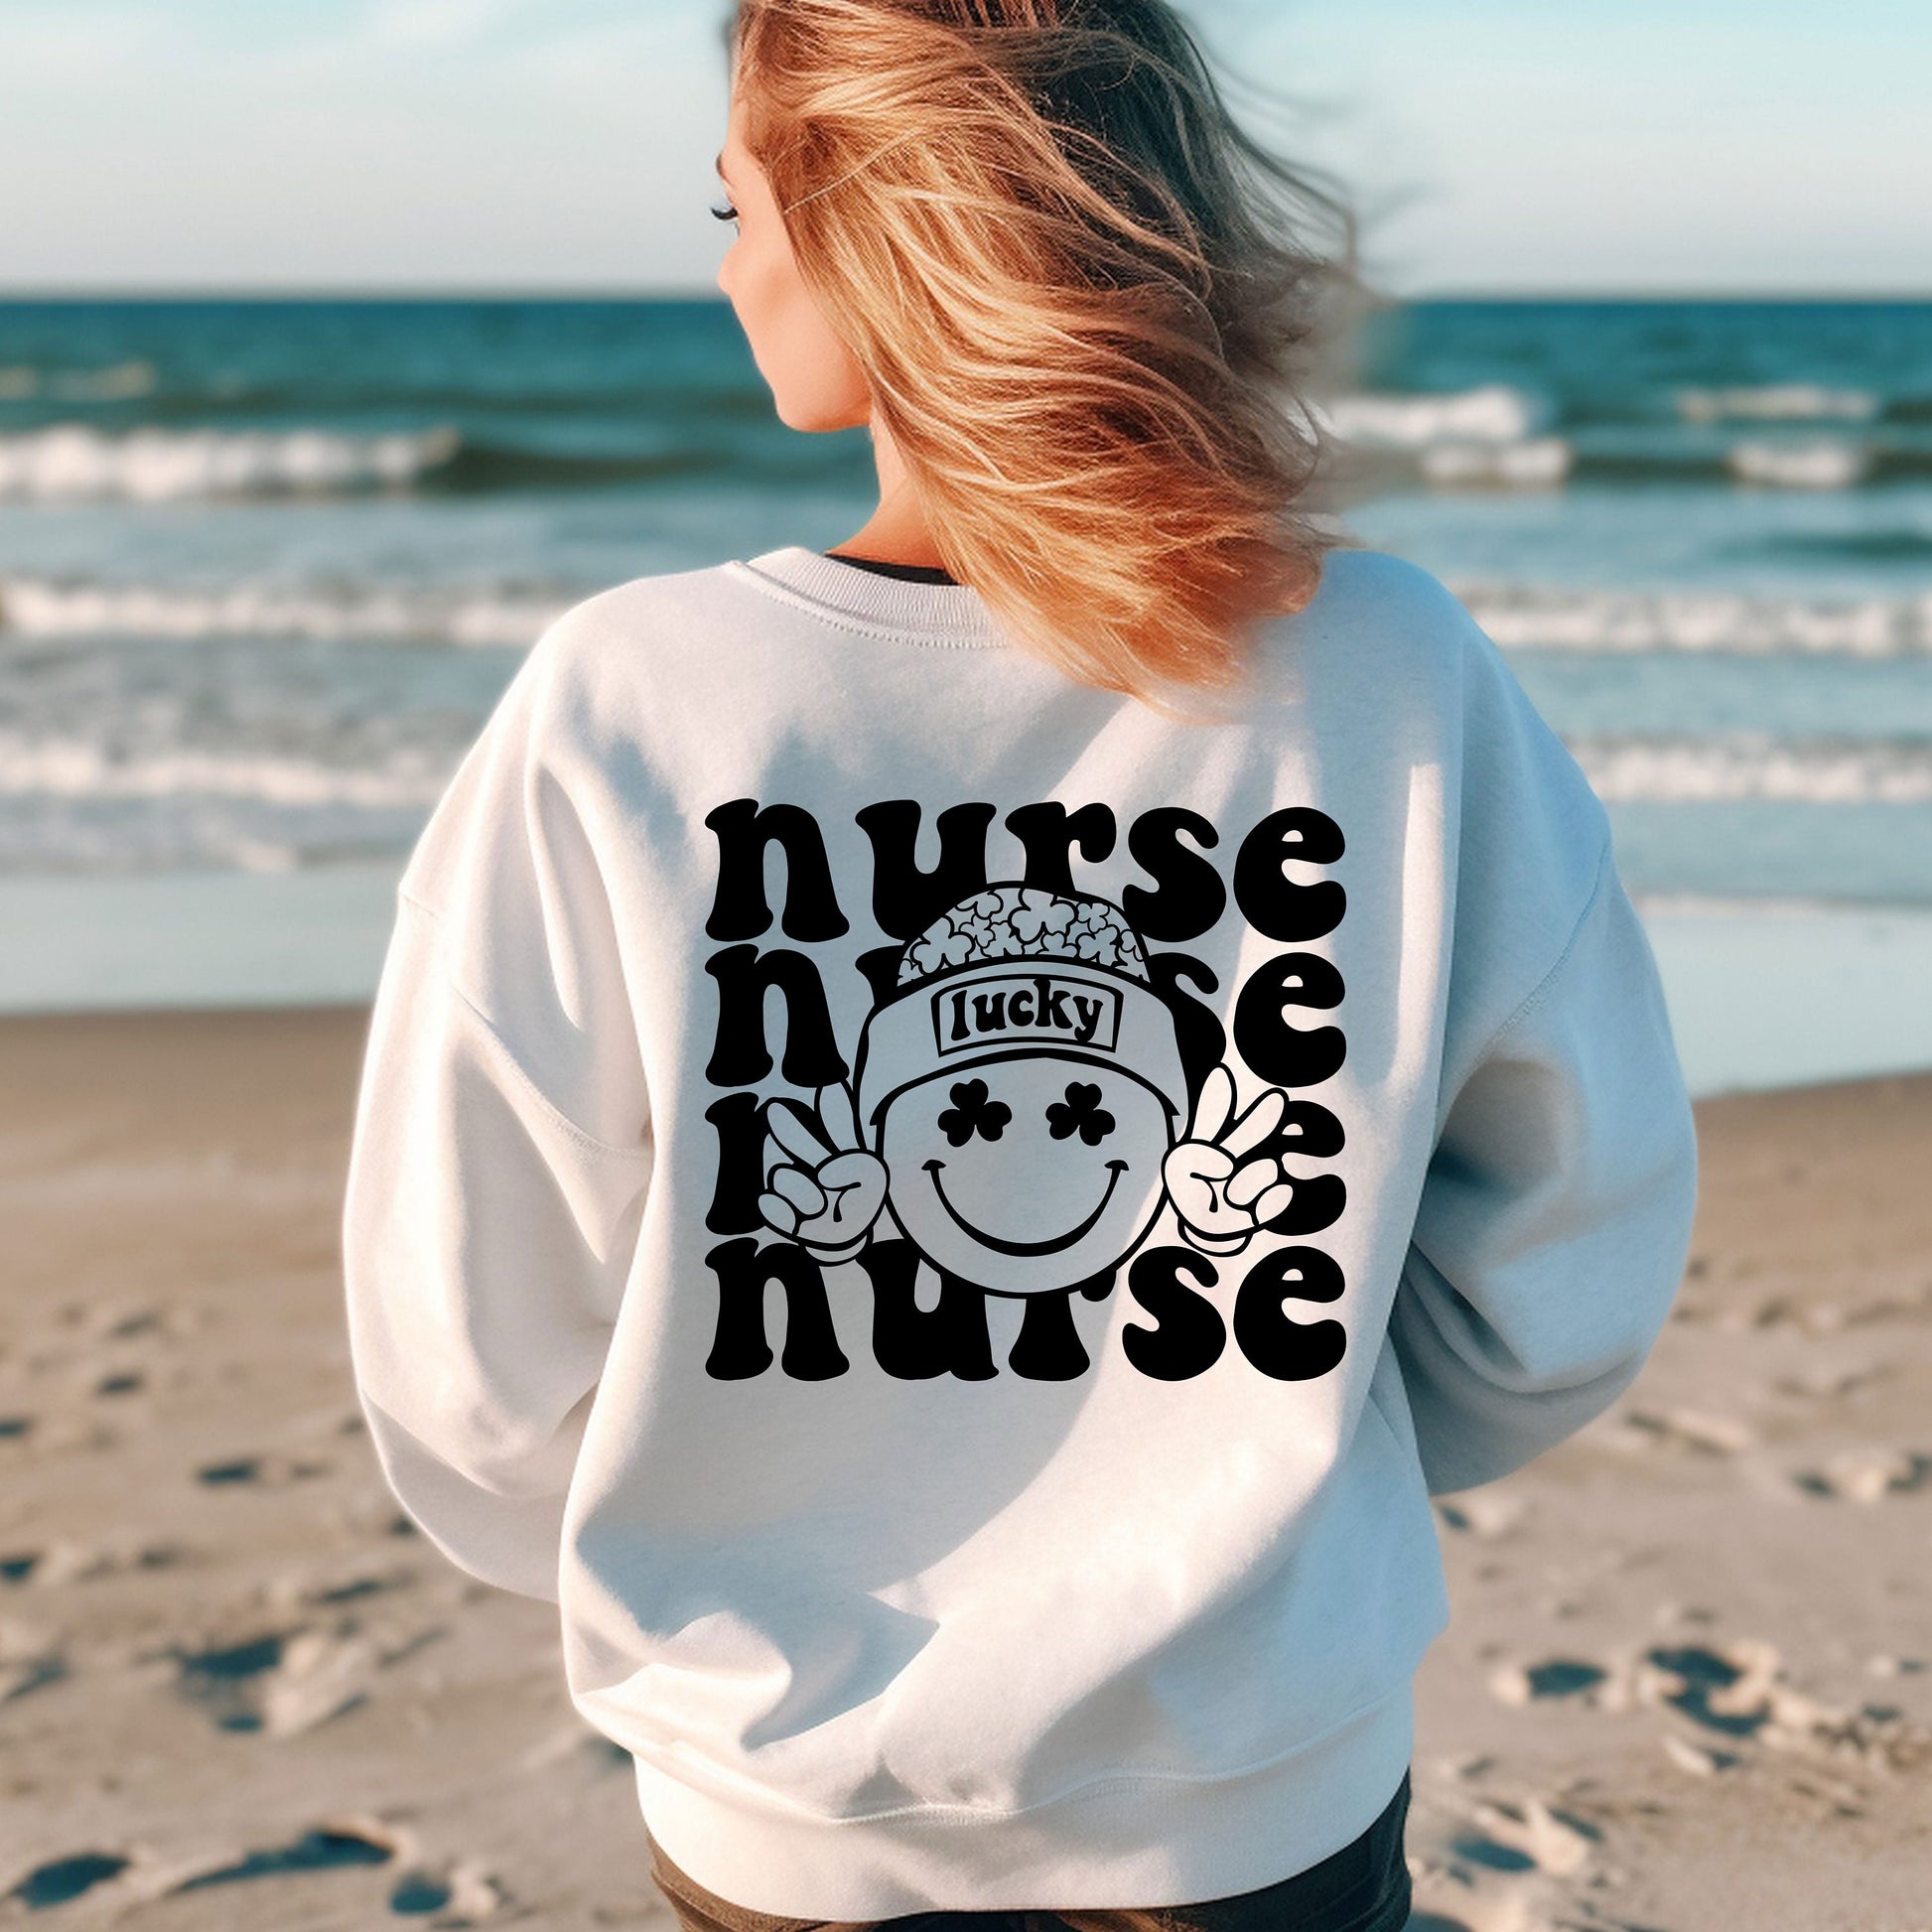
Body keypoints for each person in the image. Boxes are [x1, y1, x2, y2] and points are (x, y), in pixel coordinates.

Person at [341, 3, 1700, 1929]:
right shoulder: (1389, 680)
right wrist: (1283, 1451)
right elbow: (1566, 1253)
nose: (726, 270)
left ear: (880, 230)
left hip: (779, 1798)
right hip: (1255, 1782)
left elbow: (472, 1359)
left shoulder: (634, 702)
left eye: (735, 209)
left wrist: (718, 1520)